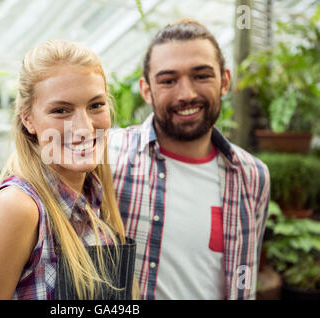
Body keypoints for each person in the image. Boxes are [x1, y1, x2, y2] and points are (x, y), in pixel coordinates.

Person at [0, 40, 137, 300]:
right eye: (61, 110)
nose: (84, 128)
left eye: (96, 105)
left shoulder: (94, 194)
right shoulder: (16, 208)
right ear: (28, 119)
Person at [108, 19, 270, 300]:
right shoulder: (106, 156)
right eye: (168, 80)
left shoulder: (253, 176)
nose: (187, 94)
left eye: (202, 76)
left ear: (225, 81)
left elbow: (244, 276)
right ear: (146, 90)